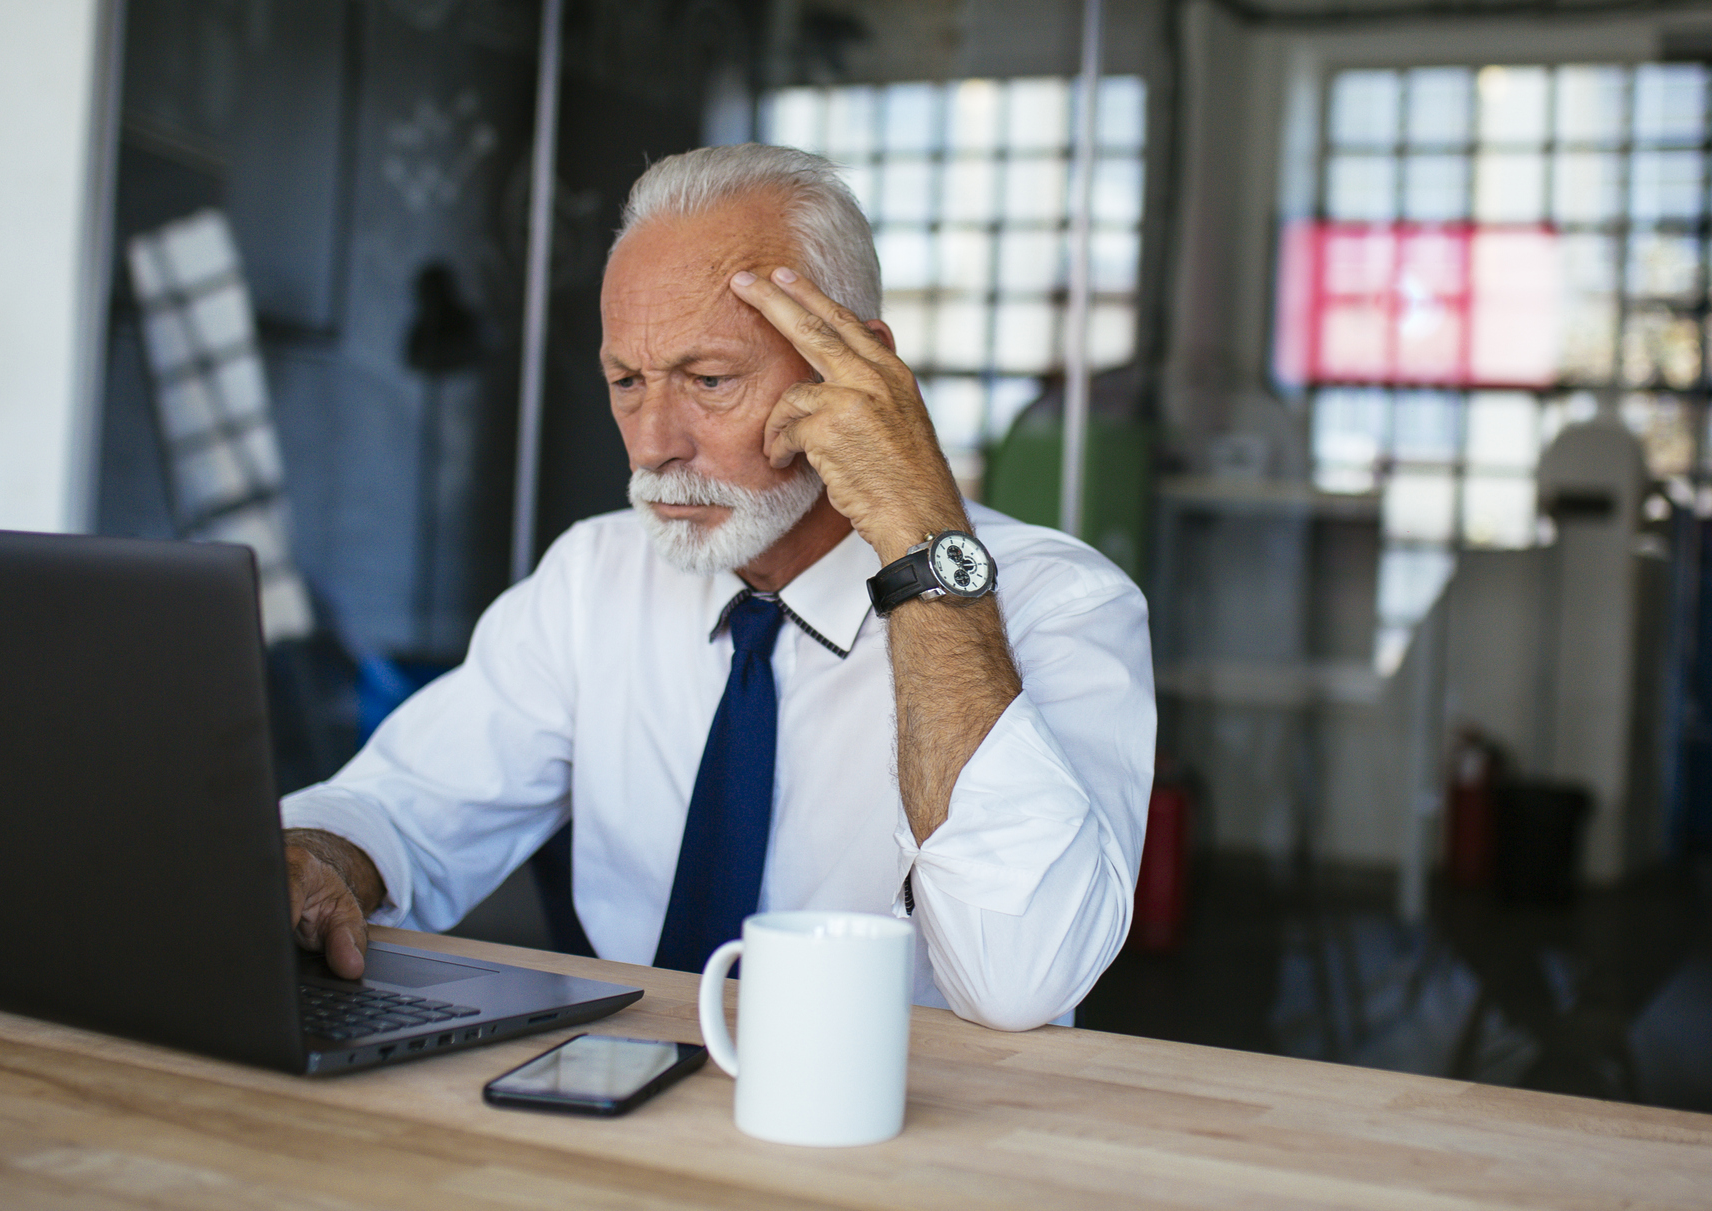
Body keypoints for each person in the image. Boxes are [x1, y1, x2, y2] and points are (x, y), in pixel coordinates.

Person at [279, 144, 1151, 1031]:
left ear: (859, 367)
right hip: (627, 1108)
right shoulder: (597, 575)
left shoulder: (1062, 602)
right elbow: (408, 805)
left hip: (901, 1136)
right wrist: (320, 855)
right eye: (627, 382)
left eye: (708, 380)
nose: (655, 442)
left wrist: (926, 546)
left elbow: (1024, 976)